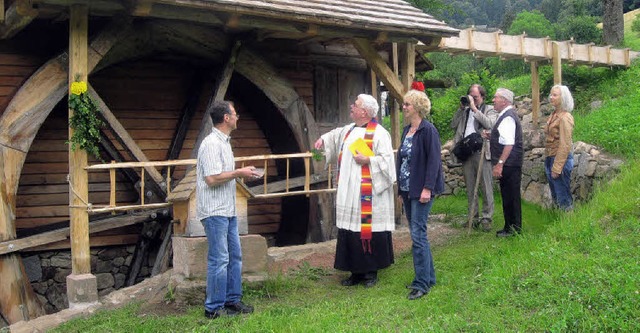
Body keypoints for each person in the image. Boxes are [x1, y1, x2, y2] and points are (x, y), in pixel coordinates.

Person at [314, 94, 396, 288]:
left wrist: (368, 160)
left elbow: (388, 163)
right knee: (351, 230)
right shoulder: (349, 130)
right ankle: (355, 272)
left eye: (356, 105)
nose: (352, 106)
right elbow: (334, 136)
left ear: (364, 112)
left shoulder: (380, 134)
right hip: (349, 191)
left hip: (369, 193)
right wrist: (322, 141)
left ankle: (370, 272)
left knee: (367, 229)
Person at [196, 101, 260, 319]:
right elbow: (212, 178)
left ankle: (233, 301)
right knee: (219, 258)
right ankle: (213, 308)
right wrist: (238, 172)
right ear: (226, 118)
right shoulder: (211, 143)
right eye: (235, 114)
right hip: (214, 211)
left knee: (235, 256)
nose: (237, 117)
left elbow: (222, 174)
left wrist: (241, 173)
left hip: (228, 210)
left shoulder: (224, 143)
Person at [397, 89, 444, 300]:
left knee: (418, 235)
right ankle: (428, 277)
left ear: (416, 107)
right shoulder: (407, 130)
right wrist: (401, 189)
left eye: (407, 104)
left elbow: (434, 162)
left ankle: (421, 283)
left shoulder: (428, 131)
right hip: (408, 189)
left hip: (421, 189)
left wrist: (427, 188)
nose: (404, 107)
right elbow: (404, 161)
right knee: (417, 233)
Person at [450, 84, 498, 231]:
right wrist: (461, 108)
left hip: (481, 151)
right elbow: (453, 125)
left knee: (486, 186)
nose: (473, 99)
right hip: (466, 151)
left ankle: (486, 218)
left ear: (482, 97)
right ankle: (473, 217)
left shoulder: (488, 109)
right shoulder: (464, 111)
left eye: (475, 97)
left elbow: (490, 124)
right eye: (471, 96)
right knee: (471, 187)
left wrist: (475, 108)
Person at [485, 88, 523, 237]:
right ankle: (509, 227)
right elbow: (503, 138)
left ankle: (514, 230)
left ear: (505, 100)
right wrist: (492, 136)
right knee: (507, 195)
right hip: (510, 162)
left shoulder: (507, 117)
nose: (493, 100)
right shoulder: (506, 115)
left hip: (509, 163)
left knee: (511, 196)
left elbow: (509, 144)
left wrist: (500, 163)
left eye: (496, 97)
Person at [545, 85, 575, 211]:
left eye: (555, 95)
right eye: (551, 94)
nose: (551, 97)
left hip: (560, 159)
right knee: (556, 196)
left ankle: (569, 225)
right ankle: (559, 225)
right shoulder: (554, 114)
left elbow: (565, 144)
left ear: (563, 98)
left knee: (563, 198)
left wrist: (557, 167)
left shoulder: (565, 117)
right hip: (550, 157)